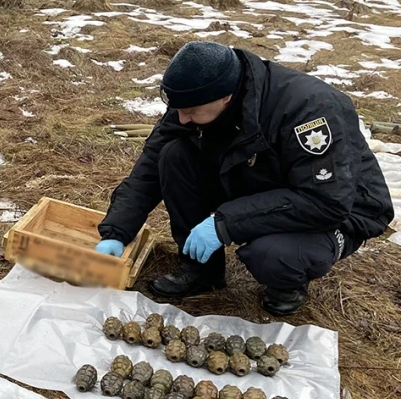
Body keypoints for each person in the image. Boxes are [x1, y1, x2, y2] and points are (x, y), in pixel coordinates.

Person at [95, 41, 393, 315]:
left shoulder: (310, 110)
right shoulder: (198, 96)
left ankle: (287, 283)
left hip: (341, 207)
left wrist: (225, 223)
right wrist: (117, 231)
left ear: (225, 96)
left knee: (271, 254)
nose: (182, 118)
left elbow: (325, 201)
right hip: (265, 177)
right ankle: (201, 271)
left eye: (190, 112)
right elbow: (149, 166)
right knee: (174, 156)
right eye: (178, 110)